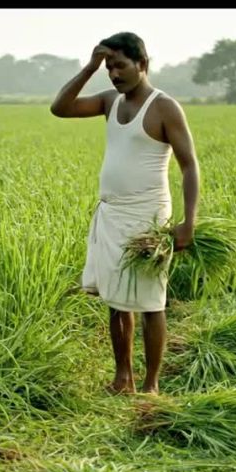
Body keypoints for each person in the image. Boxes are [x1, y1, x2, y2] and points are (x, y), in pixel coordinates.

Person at [50, 32, 200, 395]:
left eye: (121, 66)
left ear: (142, 64)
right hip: (112, 214)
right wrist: (89, 66)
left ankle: (150, 385)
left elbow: (189, 166)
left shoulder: (164, 108)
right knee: (116, 299)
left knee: (150, 301)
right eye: (109, 67)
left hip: (148, 217)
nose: (114, 74)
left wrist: (188, 222)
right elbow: (60, 107)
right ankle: (123, 378)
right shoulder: (109, 102)